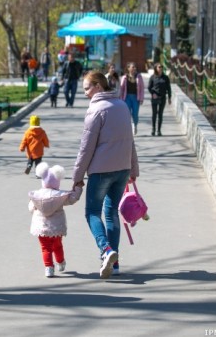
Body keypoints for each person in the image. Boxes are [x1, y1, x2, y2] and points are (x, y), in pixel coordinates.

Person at [72, 70, 139, 279]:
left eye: (87, 88)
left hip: (101, 171)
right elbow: (130, 140)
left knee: (92, 212)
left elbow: (86, 148)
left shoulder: (95, 110)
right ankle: (115, 263)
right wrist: (133, 168)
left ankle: (106, 250)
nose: (85, 93)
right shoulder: (121, 105)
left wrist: (77, 176)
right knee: (111, 213)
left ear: (98, 86)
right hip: (122, 169)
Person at [28, 162, 83, 277]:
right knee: (57, 245)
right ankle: (60, 262)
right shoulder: (60, 196)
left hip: (41, 227)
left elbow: (31, 208)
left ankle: (48, 268)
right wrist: (78, 188)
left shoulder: (36, 195)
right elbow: (73, 199)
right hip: (56, 227)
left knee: (45, 248)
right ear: (57, 182)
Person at [120, 62, 145, 135]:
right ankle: (127, 128)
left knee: (135, 114)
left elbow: (142, 88)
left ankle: (135, 125)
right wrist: (121, 99)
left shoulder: (139, 77)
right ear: (128, 68)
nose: (134, 68)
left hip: (135, 98)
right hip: (126, 97)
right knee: (127, 114)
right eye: (132, 67)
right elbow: (121, 89)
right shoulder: (124, 77)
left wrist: (141, 98)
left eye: (135, 67)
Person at [147, 63, 172, 136]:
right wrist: (153, 93)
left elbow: (169, 88)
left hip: (162, 97)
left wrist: (169, 97)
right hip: (155, 97)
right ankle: (153, 129)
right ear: (156, 68)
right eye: (159, 67)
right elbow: (149, 87)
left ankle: (159, 130)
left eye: (161, 67)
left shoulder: (165, 77)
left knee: (160, 114)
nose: (160, 68)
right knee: (154, 113)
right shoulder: (153, 77)